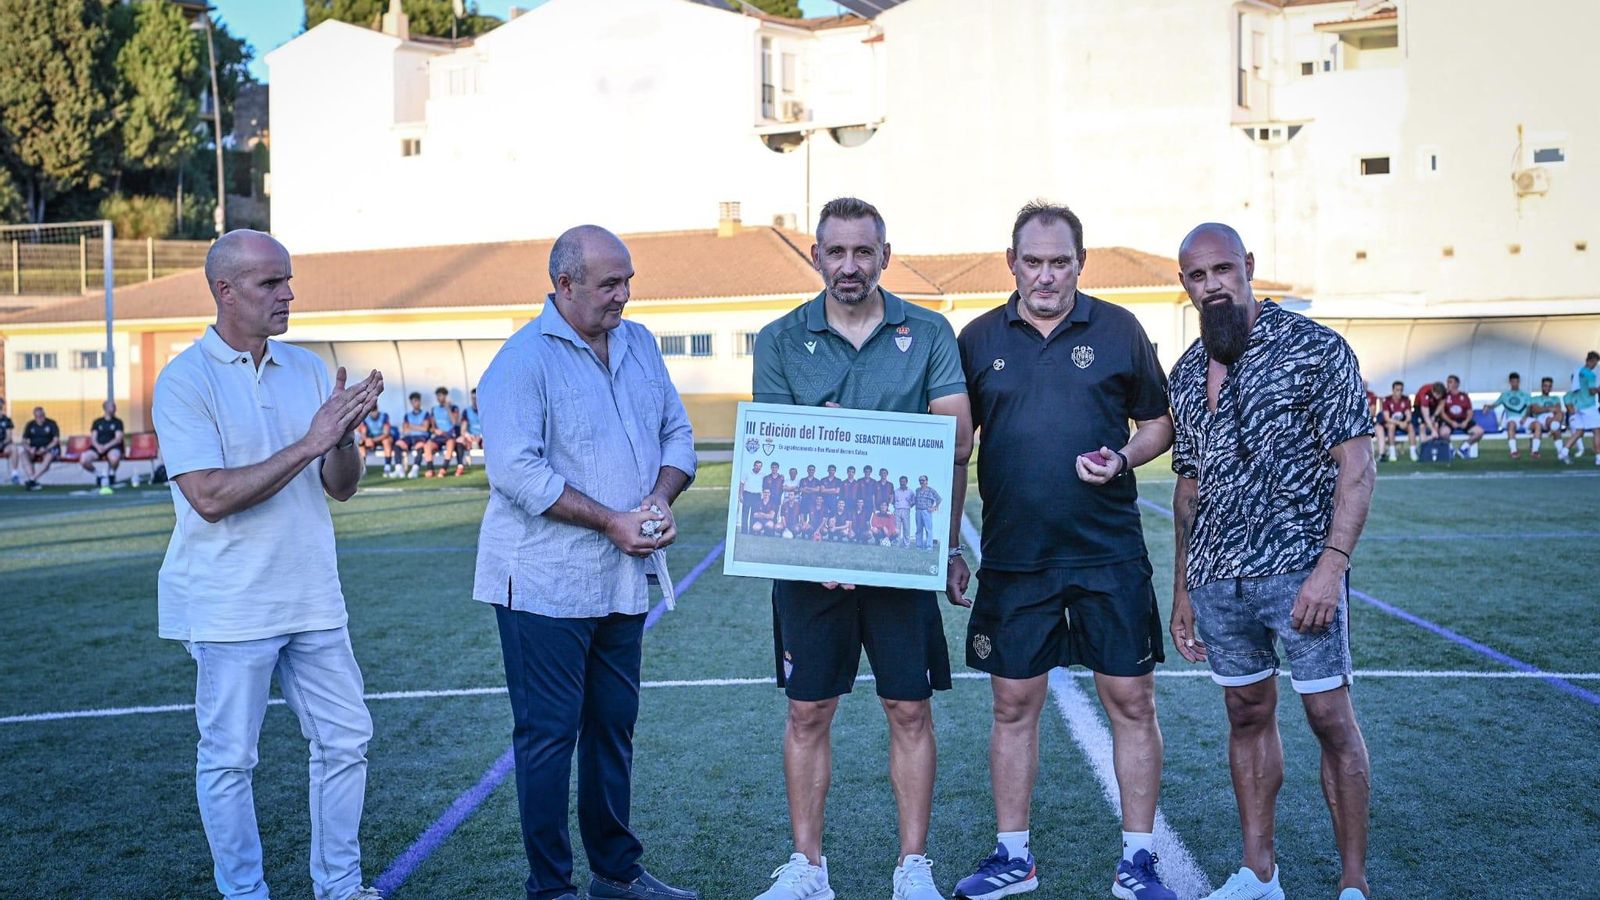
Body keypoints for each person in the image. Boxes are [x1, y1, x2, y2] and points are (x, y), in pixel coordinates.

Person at [750, 197, 973, 900]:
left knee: (909, 708)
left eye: (863, 252)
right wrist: (831, 547)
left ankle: (913, 866)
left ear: (884, 255)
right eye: (837, 252)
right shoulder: (779, 339)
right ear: (817, 256)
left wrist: (851, 435)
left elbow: (957, 439)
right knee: (807, 711)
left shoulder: (929, 331)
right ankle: (808, 867)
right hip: (810, 565)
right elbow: (778, 449)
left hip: (899, 559)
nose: (850, 266)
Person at [152, 229, 385, 900]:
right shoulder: (184, 381)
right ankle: (245, 893)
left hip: (313, 597)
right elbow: (210, 497)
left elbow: (341, 486)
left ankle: (340, 888)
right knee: (230, 759)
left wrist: (341, 440)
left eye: (288, 280)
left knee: (346, 741)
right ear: (225, 291)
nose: (288, 295)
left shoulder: (308, 369)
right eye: (270, 283)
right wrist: (311, 440)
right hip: (229, 604)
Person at [953, 201, 1176, 900]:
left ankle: (1138, 860)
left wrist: (1124, 457)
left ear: (1082, 263)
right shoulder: (976, 338)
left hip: (1108, 551)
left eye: (1060, 262)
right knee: (1013, 703)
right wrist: (947, 542)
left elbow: (1159, 422)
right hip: (1015, 556)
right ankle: (1012, 856)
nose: (1046, 276)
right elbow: (952, 446)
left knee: (1131, 699)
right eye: (1033, 262)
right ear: (1011, 263)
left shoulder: (1119, 329)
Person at [472, 225, 698, 900]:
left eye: (627, 281)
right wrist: (611, 520)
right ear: (564, 285)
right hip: (543, 584)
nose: (623, 295)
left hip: (622, 581)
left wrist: (657, 501)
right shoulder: (521, 361)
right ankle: (551, 889)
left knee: (613, 729)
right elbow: (516, 472)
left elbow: (677, 434)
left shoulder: (639, 343)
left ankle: (616, 873)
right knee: (549, 736)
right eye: (609, 284)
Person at [1167, 224, 1374, 900]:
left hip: (1300, 573)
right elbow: (1188, 486)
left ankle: (1352, 883)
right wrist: (1183, 589)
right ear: (1185, 284)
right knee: (1246, 714)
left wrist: (1331, 568)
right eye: (1198, 276)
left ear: (1248, 266)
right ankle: (1259, 873)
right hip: (1217, 580)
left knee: (1329, 718)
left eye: (1223, 269)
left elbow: (1357, 465)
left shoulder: (1316, 349)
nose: (1213, 285)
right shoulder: (1186, 371)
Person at [1556, 351, 1600, 465]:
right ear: (1592, 360)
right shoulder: (1590, 375)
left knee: (1579, 431)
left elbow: (1575, 389)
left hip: (1578, 407)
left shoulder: (1577, 371)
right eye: (1596, 363)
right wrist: (1598, 389)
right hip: (1588, 406)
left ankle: (1563, 452)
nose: (1595, 366)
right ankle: (1599, 458)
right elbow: (1591, 391)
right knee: (1597, 431)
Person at [80, 399, 126, 492]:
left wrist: (106, 447)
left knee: (114, 457)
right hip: (98, 448)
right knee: (84, 459)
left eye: (115, 406)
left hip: (111, 447)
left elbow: (118, 439)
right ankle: (99, 475)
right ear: (105, 408)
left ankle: (111, 474)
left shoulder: (118, 422)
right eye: (112, 406)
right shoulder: (97, 422)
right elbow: (93, 438)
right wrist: (98, 447)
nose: (115, 408)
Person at [1486, 372, 1534, 459]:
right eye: (1513, 382)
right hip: (1512, 419)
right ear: (1510, 382)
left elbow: (1529, 408)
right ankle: (1514, 451)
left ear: (1519, 382)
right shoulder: (1504, 395)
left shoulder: (1525, 395)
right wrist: (1487, 407)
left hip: (1524, 419)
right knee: (1511, 424)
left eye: (1516, 381)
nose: (1515, 384)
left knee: (1537, 425)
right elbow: (1494, 405)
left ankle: (1534, 450)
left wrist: (1525, 417)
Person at [1435, 375, 1483, 458]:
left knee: (1480, 432)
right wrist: (1451, 422)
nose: (1448, 384)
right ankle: (1450, 450)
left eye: (1450, 382)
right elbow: (1442, 413)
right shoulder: (1444, 396)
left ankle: (1463, 448)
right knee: (1443, 433)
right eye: (1447, 382)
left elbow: (1470, 412)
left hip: (1463, 420)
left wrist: (1466, 421)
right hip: (1449, 420)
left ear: (1457, 384)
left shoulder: (1464, 396)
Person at [18, 406, 61, 491]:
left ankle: (32, 480)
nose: (40, 418)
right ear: (34, 416)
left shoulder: (52, 424)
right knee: (23, 455)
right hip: (34, 449)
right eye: (37, 416)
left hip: (49, 449)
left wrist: (45, 449)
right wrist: (29, 449)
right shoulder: (30, 425)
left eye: (41, 415)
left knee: (49, 456)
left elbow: (55, 441)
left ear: (44, 414)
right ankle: (33, 481)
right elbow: (23, 441)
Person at [424, 386, 459, 478]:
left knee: (450, 444)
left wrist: (448, 408)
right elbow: (432, 427)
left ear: (445, 396)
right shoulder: (434, 409)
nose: (438, 398)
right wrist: (435, 430)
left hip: (449, 434)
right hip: (439, 435)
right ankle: (430, 470)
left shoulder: (454, 408)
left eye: (440, 396)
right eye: (437, 396)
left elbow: (454, 422)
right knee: (427, 445)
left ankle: (443, 469)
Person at [1376, 381, 1415, 462]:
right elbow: (1387, 418)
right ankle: (1392, 453)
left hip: (1402, 423)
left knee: (1410, 426)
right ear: (1393, 390)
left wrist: (1405, 422)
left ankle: (1413, 452)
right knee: (1391, 426)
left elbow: (1408, 415)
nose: (1399, 392)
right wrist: (1400, 423)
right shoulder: (1387, 400)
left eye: (1401, 390)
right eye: (1397, 390)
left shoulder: (1406, 399)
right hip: (1390, 423)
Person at [396, 392, 432, 478]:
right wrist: (419, 427)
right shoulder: (407, 415)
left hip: (421, 437)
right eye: (412, 402)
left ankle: (415, 469)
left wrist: (411, 426)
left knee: (420, 446)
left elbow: (425, 428)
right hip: (409, 436)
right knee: (398, 444)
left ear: (419, 401)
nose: (414, 403)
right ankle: (399, 469)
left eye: (416, 401)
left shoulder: (425, 414)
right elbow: (405, 429)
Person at [1529, 376, 1565, 457]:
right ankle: (1561, 453)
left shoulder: (1555, 398)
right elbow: (1535, 410)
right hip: (1541, 420)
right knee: (1555, 425)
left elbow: (1558, 409)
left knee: (1561, 414)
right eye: (1545, 386)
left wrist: (1544, 409)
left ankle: (1561, 454)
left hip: (1553, 418)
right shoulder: (1535, 398)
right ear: (1542, 386)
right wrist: (1550, 408)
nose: (1547, 388)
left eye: (1549, 386)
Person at [358, 408, 397, 477]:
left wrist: (373, 440)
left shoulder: (384, 416)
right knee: (361, 443)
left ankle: (387, 466)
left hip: (382, 438)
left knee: (386, 441)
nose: (373, 413)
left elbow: (386, 433)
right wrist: (367, 440)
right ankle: (363, 467)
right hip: (371, 439)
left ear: (377, 410)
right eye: (371, 411)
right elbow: (363, 433)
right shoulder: (366, 419)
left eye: (374, 411)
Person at [456, 387, 484, 475]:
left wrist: (480, 437)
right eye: (473, 398)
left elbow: (490, 428)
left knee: (488, 443)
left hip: (483, 437)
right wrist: (469, 436)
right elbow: (463, 430)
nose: (474, 401)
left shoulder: (486, 410)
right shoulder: (466, 411)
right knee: (460, 440)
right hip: (471, 438)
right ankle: (460, 466)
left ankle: (493, 467)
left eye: (476, 398)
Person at [912, 474, 942, 551]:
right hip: (918, 511)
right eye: (920, 480)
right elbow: (914, 500)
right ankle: (919, 546)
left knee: (928, 529)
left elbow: (939, 499)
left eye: (923, 480)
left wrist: (934, 508)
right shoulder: (917, 490)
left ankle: (929, 547)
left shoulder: (931, 490)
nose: (921, 482)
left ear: (926, 481)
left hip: (926, 511)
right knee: (919, 529)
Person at [1412, 380, 1444, 445]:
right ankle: (1424, 442)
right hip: (1419, 406)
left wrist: (1434, 416)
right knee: (1422, 425)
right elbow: (1425, 415)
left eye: (1440, 396)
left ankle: (1435, 445)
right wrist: (1433, 430)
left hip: (1433, 406)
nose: (1438, 397)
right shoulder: (1425, 393)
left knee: (1436, 423)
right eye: (1437, 395)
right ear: (1433, 391)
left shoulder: (1443, 392)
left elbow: (1441, 404)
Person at [741, 460, 766, 533]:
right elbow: (742, 484)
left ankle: (752, 530)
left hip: (757, 496)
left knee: (754, 514)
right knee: (745, 513)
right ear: (754, 466)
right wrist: (740, 495)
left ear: (761, 467)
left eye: (759, 466)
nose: (758, 467)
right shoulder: (747, 473)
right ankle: (744, 530)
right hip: (747, 494)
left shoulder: (763, 475)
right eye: (756, 466)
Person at [893, 475, 915, 547]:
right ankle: (897, 543)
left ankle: (906, 544)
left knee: (906, 527)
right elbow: (892, 501)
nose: (902, 483)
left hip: (906, 510)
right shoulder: (896, 491)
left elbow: (914, 501)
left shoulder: (910, 491)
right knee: (897, 528)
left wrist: (910, 504)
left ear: (906, 482)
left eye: (904, 481)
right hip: (897, 510)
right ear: (899, 482)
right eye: (901, 481)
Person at [0, 397, 17, 485]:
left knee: (13, 448)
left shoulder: (7, 420)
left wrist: (2, 443)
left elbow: (9, 437)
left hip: (4, 445)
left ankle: (14, 474)